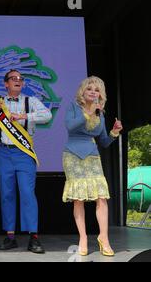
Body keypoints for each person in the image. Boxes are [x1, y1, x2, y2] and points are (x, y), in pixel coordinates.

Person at [0, 69, 51, 254]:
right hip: (4, 153)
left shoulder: (31, 101)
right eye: (13, 78)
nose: (18, 81)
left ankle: (34, 237)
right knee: (7, 194)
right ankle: (10, 236)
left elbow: (48, 116)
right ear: (6, 83)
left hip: (24, 153)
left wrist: (25, 116)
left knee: (27, 193)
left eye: (21, 79)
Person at [62, 76, 122, 256]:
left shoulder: (100, 113)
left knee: (101, 197)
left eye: (97, 90)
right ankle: (83, 238)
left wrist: (114, 132)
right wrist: (88, 112)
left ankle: (104, 238)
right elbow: (71, 127)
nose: (93, 92)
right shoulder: (74, 107)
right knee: (78, 199)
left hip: (92, 156)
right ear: (83, 91)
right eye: (90, 89)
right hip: (72, 155)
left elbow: (103, 141)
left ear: (100, 94)